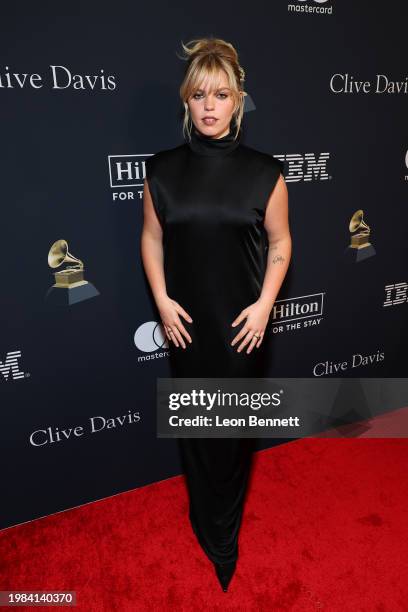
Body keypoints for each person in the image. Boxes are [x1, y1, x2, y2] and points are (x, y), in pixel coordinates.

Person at [141, 37, 291, 592]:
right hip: (186, 324)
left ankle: (224, 527)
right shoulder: (160, 170)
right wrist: (160, 298)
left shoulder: (265, 171)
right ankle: (206, 519)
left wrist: (264, 305)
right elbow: (151, 238)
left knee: (230, 434)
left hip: (240, 329)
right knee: (198, 433)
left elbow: (281, 242)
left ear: (238, 101)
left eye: (221, 94)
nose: (209, 105)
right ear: (187, 103)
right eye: (199, 94)